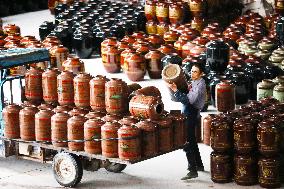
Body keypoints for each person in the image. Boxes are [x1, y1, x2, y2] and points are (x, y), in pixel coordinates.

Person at [166, 62, 206, 180]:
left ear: (201, 74)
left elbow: (188, 100)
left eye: (195, 72)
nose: (192, 74)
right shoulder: (197, 81)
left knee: (187, 141)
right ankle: (199, 165)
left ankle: (192, 170)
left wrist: (175, 90)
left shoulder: (199, 86)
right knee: (192, 140)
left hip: (191, 113)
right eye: (192, 71)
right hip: (189, 112)